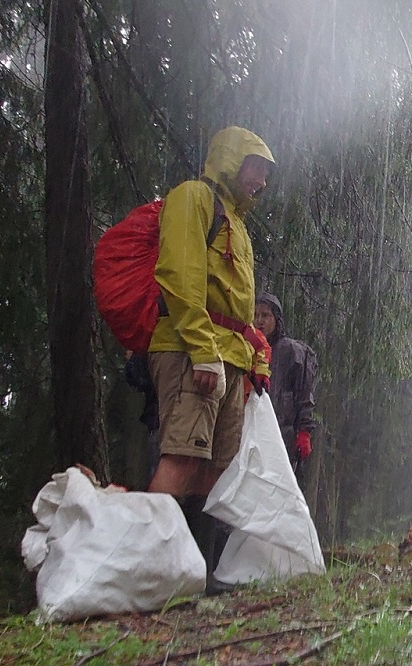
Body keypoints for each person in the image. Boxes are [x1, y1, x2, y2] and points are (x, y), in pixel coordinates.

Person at [146, 126, 274, 589]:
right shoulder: (194, 198)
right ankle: (146, 569)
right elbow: (179, 277)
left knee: (213, 469)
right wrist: (203, 352)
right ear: (231, 159)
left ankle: (195, 573)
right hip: (189, 349)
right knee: (181, 458)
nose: (260, 179)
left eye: (265, 173)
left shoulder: (238, 226)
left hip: (227, 359)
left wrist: (245, 362)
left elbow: (239, 309)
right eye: (254, 166)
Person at [252, 294, 318, 481]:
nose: (259, 321)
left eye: (265, 315)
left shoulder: (293, 352)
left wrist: (303, 432)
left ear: (277, 320)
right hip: (251, 431)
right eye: (256, 315)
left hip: (283, 435)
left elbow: (305, 394)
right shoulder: (246, 348)